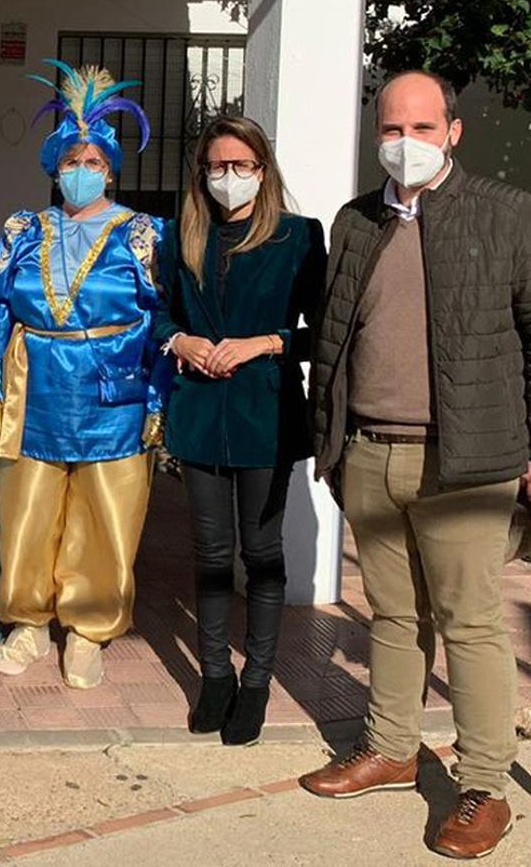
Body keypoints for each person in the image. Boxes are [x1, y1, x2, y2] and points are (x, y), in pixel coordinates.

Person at [299, 70, 531, 859]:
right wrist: (331, 443)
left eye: (420, 128)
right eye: (391, 129)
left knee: (471, 622)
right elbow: (333, 337)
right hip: (371, 453)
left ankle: (484, 784)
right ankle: (391, 746)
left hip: (468, 460)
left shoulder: (512, 217)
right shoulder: (355, 222)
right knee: (394, 615)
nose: (403, 144)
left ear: (452, 132)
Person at [0, 61, 171, 688]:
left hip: (114, 387)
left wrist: (159, 399)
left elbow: (163, 321)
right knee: (23, 506)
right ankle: (27, 622)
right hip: (35, 381)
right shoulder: (22, 229)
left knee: (107, 511)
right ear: (54, 168)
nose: (81, 174)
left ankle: (88, 629)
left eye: (94, 164)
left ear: (111, 169)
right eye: (70, 163)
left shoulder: (144, 233)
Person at [156, 115, 325, 744]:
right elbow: (158, 316)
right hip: (200, 414)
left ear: (263, 170)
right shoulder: (182, 238)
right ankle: (215, 677)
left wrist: (266, 342)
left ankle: (256, 681)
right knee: (210, 552)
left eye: (242, 166)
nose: (229, 177)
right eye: (218, 167)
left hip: (267, 416)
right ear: (202, 173)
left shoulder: (299, 238)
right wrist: (181, 338)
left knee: (262, 552)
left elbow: (324, 330)